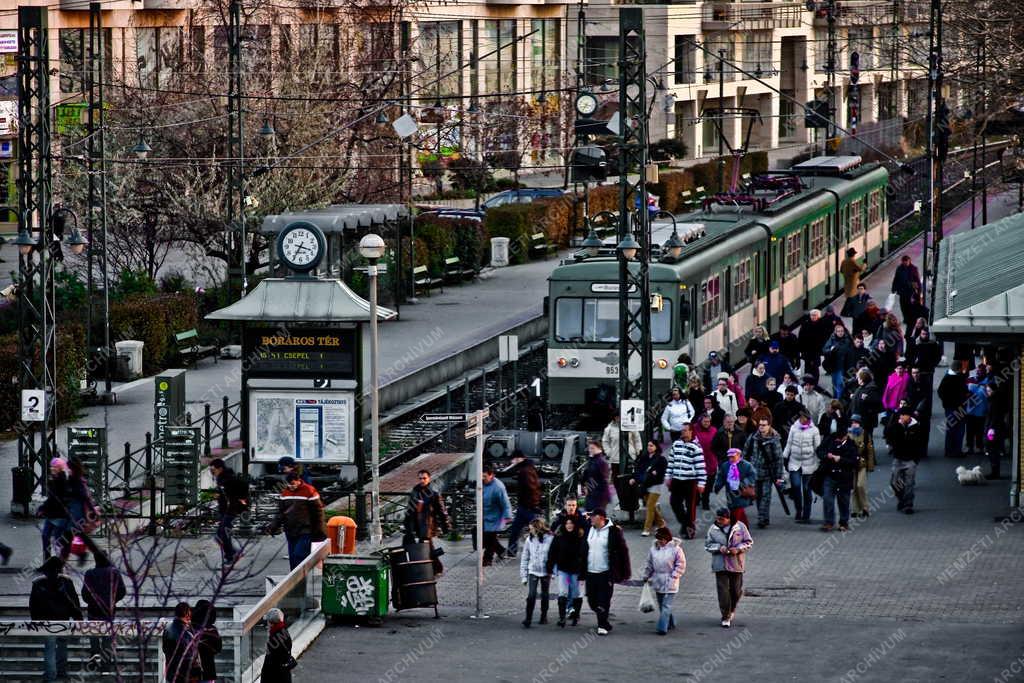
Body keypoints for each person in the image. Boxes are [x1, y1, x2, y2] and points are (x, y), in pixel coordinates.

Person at [31, 556, 83, 682]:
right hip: (63, 619)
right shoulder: (66, 581)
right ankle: (61, 671)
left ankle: (50, 675)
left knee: (49, 648)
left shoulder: (38, 582)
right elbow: (73, 601)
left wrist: (35, 620)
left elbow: (33, 604)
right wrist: (78, 618)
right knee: (62, 646)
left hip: (46, 620)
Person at [704, 507, 753, 629]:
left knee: (736, 590)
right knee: (723, 591)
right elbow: (707, 545)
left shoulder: (740, 527)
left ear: (728, 519)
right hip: (720, 565)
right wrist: (719, 548)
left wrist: (738, 549)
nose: (719, 520)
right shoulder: (713, 529)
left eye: (722, 519)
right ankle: (725, 616)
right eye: (717, 518)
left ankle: (732, 608)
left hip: (736, 564)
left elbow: (749, 542)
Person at [585, 509, 631, 636]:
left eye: (593, 517)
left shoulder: (614, 531)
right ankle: (603, 618)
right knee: (592, 600)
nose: (590, 519)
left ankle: (602, 624)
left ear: (601, 518)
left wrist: (625, 572)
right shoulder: (589, 529)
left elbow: (623, 551)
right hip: (590, 571)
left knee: (604, 600)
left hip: (605, 572)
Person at [82, 540, 126, 669]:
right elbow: (122, 591)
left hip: (93, 610)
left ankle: (95, 660)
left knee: (94, 637)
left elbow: (85, 593)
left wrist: (91, 602)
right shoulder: (114, 572)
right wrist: (113, 600)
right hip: (109, 611)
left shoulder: (90, 574)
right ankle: (106, 664)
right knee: (107, 638)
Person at [270, 472, 325, 570]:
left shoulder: (309, 491)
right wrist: (273, 527)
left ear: (298, 481)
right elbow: (280, 512)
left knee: (298, 555)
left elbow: (318, 512)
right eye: (289, 484)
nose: (291, 486)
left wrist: (319, 531)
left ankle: (300, 580)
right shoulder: (285, 493)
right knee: (293, 558)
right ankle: (295, 580)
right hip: (290, 531)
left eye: (293, 484)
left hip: (306, 530)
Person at [402, 469, 451, 573]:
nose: (422, 480)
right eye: (420, 478)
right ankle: (435, 567)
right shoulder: (415, 491)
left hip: (427, 525)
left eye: (424, 478)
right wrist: (408, 525)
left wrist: (446, 526)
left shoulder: (433, 494)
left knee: (426, 546)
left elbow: (442, 511)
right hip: (417, 524)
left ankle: (436, 567)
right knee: (427, 547)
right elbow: (410, 509)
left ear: (429, 479)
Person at [742, 417, 784, 529]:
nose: (761, 427)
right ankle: (763, 516)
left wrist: (779, 476)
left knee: (766, 495)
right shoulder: (753, 437)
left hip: (768, 473)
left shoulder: (774, 439)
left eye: (764, 425)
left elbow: (779, 459)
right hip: (754, 472)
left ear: (769, 425)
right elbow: (745, 453)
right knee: (758, 496)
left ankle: (762, 518)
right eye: (760, 425)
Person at [642, 527, 686, 635]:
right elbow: (649, 564)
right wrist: (646, 575)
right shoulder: (653, 549)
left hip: (671, 581)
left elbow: (681, 565)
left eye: (662, 539)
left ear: (667, 538)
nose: (660, 541)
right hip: (658, 580)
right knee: (662, 605)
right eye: (658, 539)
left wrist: (674, 577)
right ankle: (671, 622)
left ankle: (662, 628)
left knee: (666, 605)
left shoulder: (676, 549)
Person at [666, 424, 706, 539]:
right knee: (674, 503)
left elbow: (700, 466)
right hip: (677, 480)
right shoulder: (676, 444)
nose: (682, 432)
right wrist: (668, 476)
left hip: (690, 481)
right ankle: (686, 524)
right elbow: (671, 462)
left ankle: (689, 531)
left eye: (685, 430)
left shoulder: (696, 447)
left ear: (691, 432)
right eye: (681, 430)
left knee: (690, 507)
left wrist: (701, 483)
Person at [547, 515, 588, 627]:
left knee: (576, 593)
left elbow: (585, 556)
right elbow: (552, 553)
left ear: (575, 524)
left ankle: (576, 616)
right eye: (567, 523)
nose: (569, 525)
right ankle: (562, 618)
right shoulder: (559, 537)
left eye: (571, 523)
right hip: (563, 569)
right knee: (562, 592)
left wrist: (583, 573)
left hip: (576, 571)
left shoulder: (580, 537)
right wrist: (549, 568)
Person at [884, 407, 926, 513]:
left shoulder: (916, 427)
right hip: (898, 458)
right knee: (894, 482)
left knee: (909, 483)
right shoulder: (896, 425)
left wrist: (916, 460)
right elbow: (888, 434)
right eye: (900, 415)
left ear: (909, 416)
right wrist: (896, 425)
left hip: (910, 459)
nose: (901, 417)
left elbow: (920, 444)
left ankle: (908, 505)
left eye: (904, 415)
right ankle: (901, 499)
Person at [818, 423, 859, 531]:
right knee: (827, 499)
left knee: (844, 501)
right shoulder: (829, 439)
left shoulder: (851, 445)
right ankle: (828, 522)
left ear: (846, 436)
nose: (839, 440)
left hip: (844, 477)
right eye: (837, 438)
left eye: (841, 439)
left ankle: (844, 522)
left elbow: (854, 462)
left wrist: (840, 459)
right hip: (829, 474)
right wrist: (826, 455)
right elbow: (819, 451)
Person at [209, 458, 248, 567]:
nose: (212, 472)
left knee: (221, 534)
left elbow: (243, 487)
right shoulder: (221, 478)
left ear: (220, 468)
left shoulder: (228, 478)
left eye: (213, 470)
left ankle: (231, 555)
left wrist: (239, 502)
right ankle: (233, 553)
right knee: (221, 535)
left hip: (231, 510)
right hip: (225, 510)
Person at [784, 411, 820, 524]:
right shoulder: (794, 428)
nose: (803, 419)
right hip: (795, 462)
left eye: (805, 418)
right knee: (795, 486)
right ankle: (799, 509)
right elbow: (789, 443)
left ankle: (806, 514)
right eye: (802, 417)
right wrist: (784, 455)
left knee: (806, 489)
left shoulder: (814, 430)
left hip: (809, 463)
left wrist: (819, 462)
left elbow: (817, 447)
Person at [507, 453, 543, 557]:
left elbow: (531, 489)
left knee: (517, 530)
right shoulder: (528, 468)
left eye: (513, 460)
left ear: (518, 459)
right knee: (531, 530)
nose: (511, 462)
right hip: (526, 506)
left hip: (527, 506)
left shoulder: (524, 471)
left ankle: (512, 552)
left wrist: (533, 504)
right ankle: (511, 552)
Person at [519, 519, 553, 627]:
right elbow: (525, 558)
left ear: (538, 528)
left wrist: (554, 571)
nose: (530, 530)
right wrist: (523, 576)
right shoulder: (529, 540)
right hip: (533, 571)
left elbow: (554, 556)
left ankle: (544, 616)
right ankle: (528, 618)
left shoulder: (550, 539)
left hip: (546, 572)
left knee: (545, 594)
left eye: (532, 528)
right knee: (531, 595)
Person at [712, 448, 757, 526]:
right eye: (729, 457)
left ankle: (734, 526)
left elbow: (753, 475)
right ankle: (744, 527)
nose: (731, 459)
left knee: (737, 509)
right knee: (734, 509)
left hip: (741, 491)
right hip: (730, 491)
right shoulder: (725, 465)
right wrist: (717, 486)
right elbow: (721, 476)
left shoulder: (746, 465)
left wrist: (744, 483)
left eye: (733, 457)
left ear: (739, 455)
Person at [633, 440, 668, 536]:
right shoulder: (644, 458)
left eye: (651, 446)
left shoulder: (661, 459)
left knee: (649, 506)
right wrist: (635, 478)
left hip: (656, 484)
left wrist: (657, 473)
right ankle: (661, 523)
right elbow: (638, 469)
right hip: (645, 485)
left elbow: (663, 471)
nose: (649, 447)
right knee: (651, 506)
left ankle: (647, 529)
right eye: (648, 445)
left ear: (656, 447)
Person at [39, 458, 72, 559]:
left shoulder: (61, 481)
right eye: (51, 466)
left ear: (60, 468)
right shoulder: (54, 479)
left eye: (54, 467)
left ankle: (59, 563)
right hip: (52, 514)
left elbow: (55, 498)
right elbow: (51, 498)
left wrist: (43, 508)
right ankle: (48, 561)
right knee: (46, 536)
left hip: (59, 515)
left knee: (58, 540)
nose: (51, 468)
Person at [481, 464, 512, 566]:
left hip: (496, 517)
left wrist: (507, 517)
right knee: (489, 538)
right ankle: (502, 551)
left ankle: (487, 559)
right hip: (485, 514)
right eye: (482, 476)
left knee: (490, 538)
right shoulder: (482, 484)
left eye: (485, 476)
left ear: (491, 476)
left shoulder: (498, 487)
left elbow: (505, 502)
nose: (482, 478)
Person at [162, 602, 200, 683]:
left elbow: (164, 649)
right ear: (187, 614)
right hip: (183, 675)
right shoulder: (186, 633)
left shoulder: (167, 628)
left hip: (170, 674)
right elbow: (190, 655)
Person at [938, 365, 969, 458]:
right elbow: (965, 391)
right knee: (959, 430)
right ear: (958, 369)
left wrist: (946, 402)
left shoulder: (946, 378)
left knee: (951, 429)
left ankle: (949, 450)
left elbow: (940, 392)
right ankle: (957, 450)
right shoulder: (960, 378)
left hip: (949, 408)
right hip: (960, 407)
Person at [848, 414, 873, 519]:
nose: (854, 424)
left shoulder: (865, 434)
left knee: (860, 485)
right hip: (851, 464)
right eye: (853, 422)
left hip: (862, 463)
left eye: (856, 422)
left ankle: (865, 507)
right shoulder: (848, 434)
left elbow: (870, 450)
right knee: (853, 487)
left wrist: (870, 465)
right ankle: (855, 509)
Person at [601, 414, 641, 480]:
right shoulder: (609, 428)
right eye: (617, 416)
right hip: (615, 458)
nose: (619, 418)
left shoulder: (631, 426)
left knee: (629, 478)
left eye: (620, 416)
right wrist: (609, 452)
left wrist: (638, 451)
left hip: (629, 457)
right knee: (616, 479)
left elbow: (637, 439)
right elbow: (605, 441)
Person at [191, 600, 223, 683]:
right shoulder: (212, 630)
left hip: (191, 672)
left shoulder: (190, 628)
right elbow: (218, 648)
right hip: (208, 671)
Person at [822, 322, 855, 399]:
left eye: (842, 331)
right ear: (835, 332)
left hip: (843, 366)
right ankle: (836, 398)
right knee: (834, 383)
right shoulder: (832, 339)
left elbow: (851, 353)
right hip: (834, 366)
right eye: (839, 331)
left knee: (840, 384)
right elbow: (824, 350)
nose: (840, 333)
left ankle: (838, 400)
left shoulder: (847, 340)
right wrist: (830, 350)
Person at [261, 608, 295, 683]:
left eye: (268, 621)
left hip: (276, 676)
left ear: (271, 623)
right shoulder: (283, 631)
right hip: (284, 674)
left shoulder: (275, 637)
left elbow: (271, 662)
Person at [693, 414, 718, 510]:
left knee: (708, 484)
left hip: (710, 459)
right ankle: (697, 498)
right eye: (705, 422)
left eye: (708, 422)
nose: (707, 424)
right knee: (696, 481)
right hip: (697, 459)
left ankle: (705, 501)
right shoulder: (694, 429)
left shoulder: (714, 430)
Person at [799, 309, 831, 379]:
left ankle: (815, 382)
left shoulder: (822, 324)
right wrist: (801, 348)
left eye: (815, 315)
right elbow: (801, 337)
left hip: (816, 350)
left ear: (818, 316)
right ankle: (807, 381)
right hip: (807, 350)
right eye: (812, 315)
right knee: (807, 366)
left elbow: (825, 338)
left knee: (815, 367)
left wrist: (822, 348)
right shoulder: (805, 324)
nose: (813, 317)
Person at [582, 440, 612, 513]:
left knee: (596, 515)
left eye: (593, 448)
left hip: (599, 494)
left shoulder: (601, 462)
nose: (590, 450)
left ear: (599, 449)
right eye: (590, 448)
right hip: (593, 492)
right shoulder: (593, 460)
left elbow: (602, 479)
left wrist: (588, 487)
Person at [892, 254, 922, 322]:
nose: (905, 263)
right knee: (903, 305)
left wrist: (919, 290)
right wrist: (893, 288)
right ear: (902, 262)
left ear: (909, 261)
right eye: (904, 262)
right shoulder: (899, 268)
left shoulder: (914, 268)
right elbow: (896, 278)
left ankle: (910, 318)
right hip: (902, 290)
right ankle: (905, 318)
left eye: (907, 262)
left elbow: (917, 280)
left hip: (911, 290)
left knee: (910, 305)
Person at [965, 380, 990, 456]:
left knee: (970, 431)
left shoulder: (970, 386)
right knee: (979, 431)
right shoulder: (984, 390)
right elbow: (987, 402)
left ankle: (970, 447)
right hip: (980, 414)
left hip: (971, 413)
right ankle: (979, 447)